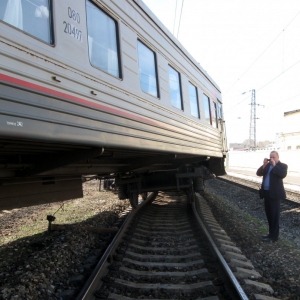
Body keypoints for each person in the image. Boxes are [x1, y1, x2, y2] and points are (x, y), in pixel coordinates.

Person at [256, 151, 288, 242]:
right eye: (271, 157)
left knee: (274, 216)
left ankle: (274, 237)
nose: (272, 159)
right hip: (266, 193)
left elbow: (282, 174)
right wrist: (264, 165)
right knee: (269, 214)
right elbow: (258, 173)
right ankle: (270, 234)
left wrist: (275, 166)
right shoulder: (268, 166)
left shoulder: (282, 166)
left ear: (278, 157)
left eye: (274, 157)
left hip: (275, 194)